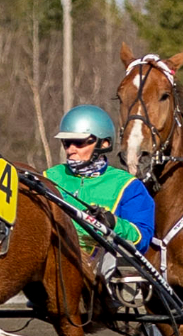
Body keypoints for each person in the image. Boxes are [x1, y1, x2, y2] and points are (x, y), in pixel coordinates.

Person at [42, 105, 157, 258]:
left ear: (104, 143)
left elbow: (141, 240)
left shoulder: (128, 187)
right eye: (67, 143)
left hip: (101, 270)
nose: (70, 150)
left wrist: (113, 222)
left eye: (79, 143)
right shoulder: (49, 177)